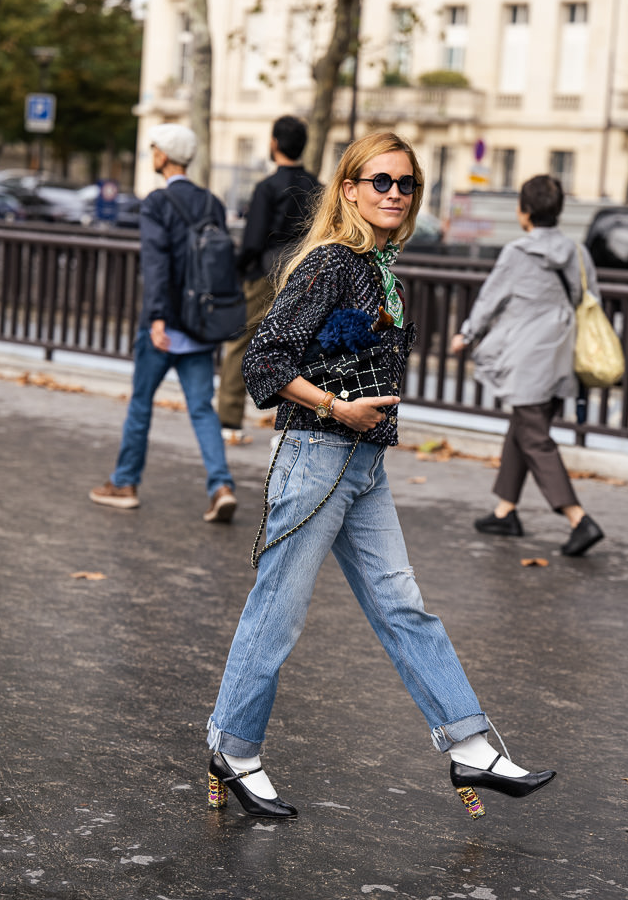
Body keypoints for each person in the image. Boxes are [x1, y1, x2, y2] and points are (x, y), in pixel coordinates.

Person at [204, 132, 556, 821]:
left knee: (404, 608)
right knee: (277, 611)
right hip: (316, 458)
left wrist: (358, 421)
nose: (395, 193)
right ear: (349, 188)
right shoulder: (332, 264)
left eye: (407, 184)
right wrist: (339, 407)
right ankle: (234, 748)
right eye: (381, 181)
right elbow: (264, 364)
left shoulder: (381, 267)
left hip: (363, 466)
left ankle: (470, 746)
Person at [90, 123, 237, 524]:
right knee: (202, 409)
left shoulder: (157, 202)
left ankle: (124, 484)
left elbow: (155, 263)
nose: (151, 152)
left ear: (163, 155)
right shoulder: (212, 203)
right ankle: (220, 486)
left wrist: (156, 317)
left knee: (140, 405)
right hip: (202, 325)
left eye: (153, 147)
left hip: (165, 325)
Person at [450, 174, 604, 557]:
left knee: (534, 436)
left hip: (527, 357)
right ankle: (505, 512)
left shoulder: (517, 253)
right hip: (562, 355)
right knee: (524, 427)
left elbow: (490, 300)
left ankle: (578, 518)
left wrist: (467, 334)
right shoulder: (578, 252)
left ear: (523, 212)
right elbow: (591, 299)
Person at [216, 115, 321, 442]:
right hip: (304, 274)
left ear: (274, 143)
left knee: (240, 344)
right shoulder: (318, 187)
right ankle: (291, 428)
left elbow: (253, 240)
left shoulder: (267, 187)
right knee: (298, 350)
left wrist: (239, 269)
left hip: (264, 273)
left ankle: (230, 423)